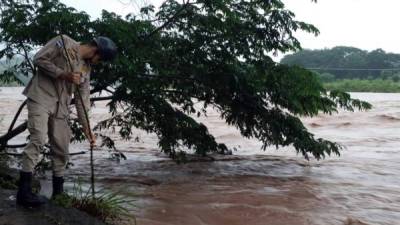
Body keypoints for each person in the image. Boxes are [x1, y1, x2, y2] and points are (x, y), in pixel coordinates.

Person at [16, 34, 117, 207]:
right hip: (41, 96)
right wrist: (64, 75)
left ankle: (58, 193)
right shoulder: (63, 42)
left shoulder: (85, 69)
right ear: (96, 51)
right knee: (38, 139)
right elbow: (38, 58)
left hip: (61, 106)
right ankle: (23, 192)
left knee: (62, 147)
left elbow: (82, 100)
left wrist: (88, 131)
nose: (98, 62)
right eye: (100, 59)